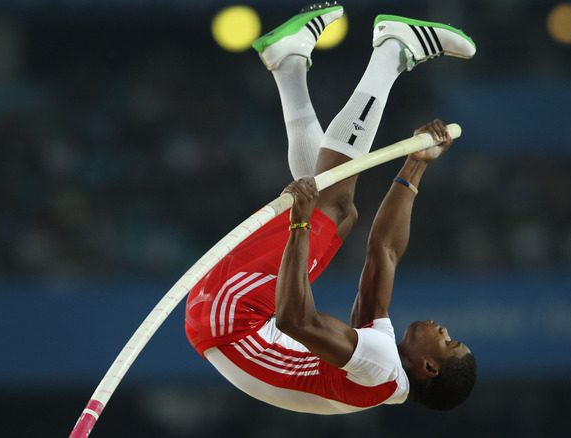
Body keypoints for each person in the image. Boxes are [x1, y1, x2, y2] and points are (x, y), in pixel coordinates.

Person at [185, 3, 477, 414]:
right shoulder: (383, 362)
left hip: (232, 318)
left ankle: (393, 51)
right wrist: (416, 164)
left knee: (333, 208)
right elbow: (384, 252)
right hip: (225, 321)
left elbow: (294, 321)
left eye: (449, 342)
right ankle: (288, 64)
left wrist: (300, 224)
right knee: (342, 217)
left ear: (429, 366)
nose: (445, 331)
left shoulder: (380, 369)